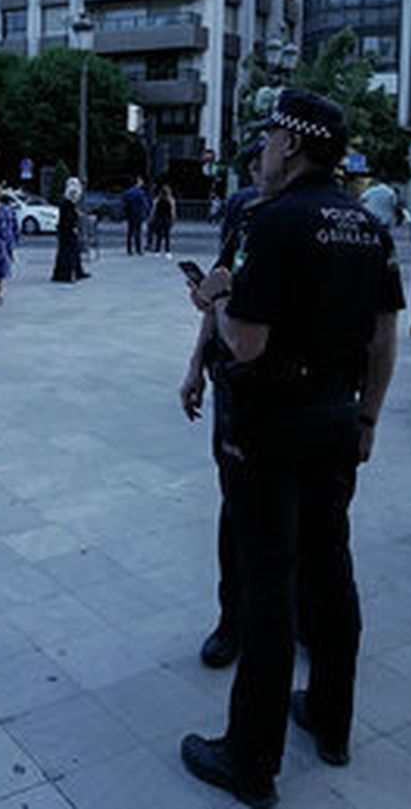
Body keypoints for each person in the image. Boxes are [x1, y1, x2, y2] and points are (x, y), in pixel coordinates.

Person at [180, 88, 403, 806]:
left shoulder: (275, 222)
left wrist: (213, 297)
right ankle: (331, 719)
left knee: (269, 587)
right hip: (338, 420)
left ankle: (250, 758)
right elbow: (382, 336)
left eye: (272, 135)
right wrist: (367, 418)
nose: (265, 147)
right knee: (331, 574)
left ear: (294, 145)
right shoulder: (367, 225)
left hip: (271, 424)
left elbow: (246, 339)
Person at [180, 138, 265, 672]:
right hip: (233, 384)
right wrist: (195, 365)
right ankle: (231, 619)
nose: (256, 173)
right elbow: (215, 297)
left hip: (277, 390)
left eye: (265, 157)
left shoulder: (293, 224)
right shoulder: (244, 215)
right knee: (235, 508)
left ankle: (275, 616)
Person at [52, 177, 88, 283]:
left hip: (66, 230)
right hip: (67, 231)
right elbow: (68, 218)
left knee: (72, 251)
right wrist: (74, 224)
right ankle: (65, 274)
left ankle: (76, 271)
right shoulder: (67, 203)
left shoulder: (67, 203)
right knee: (68, 252)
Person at [122, 176, 149, 256]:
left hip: (130, 213)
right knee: (138, 232)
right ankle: (138, 249)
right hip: (139, 213)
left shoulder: (128, 192)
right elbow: (145, 204)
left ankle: (129, 249)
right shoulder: (140, 192)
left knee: (130, 232)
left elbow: (124, 201)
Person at [149, 183, 177, 256]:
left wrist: (151, 218)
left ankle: (157, 250)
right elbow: (173, 211)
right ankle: (167, 250)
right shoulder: (171, 200)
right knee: (167, 236)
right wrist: (173, 219)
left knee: (159, 235)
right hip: (167, 218)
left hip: (159, 218)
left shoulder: (157, 200)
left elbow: (153, 210)